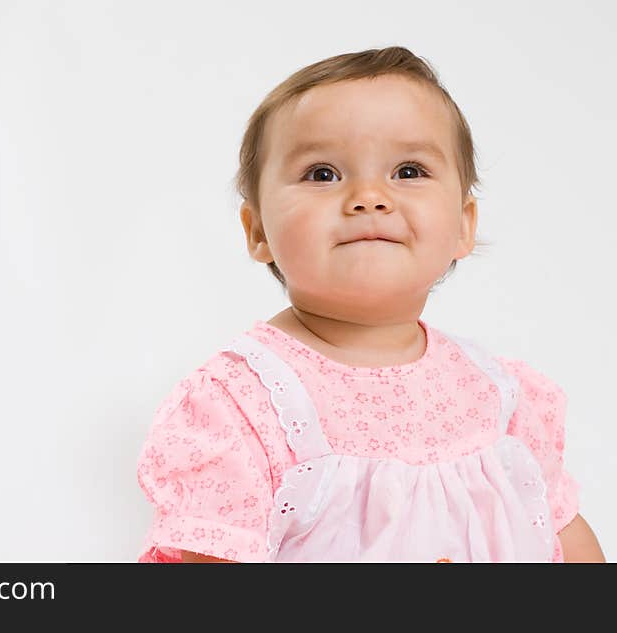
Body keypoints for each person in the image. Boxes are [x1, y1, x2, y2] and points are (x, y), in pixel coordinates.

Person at [135, 46, 605, 563]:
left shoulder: (501, 398)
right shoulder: (240, 405)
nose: (369, 197)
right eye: (322, 174)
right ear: (259, 231)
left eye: (408, 171)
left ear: (464, 225)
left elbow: (568, 536)